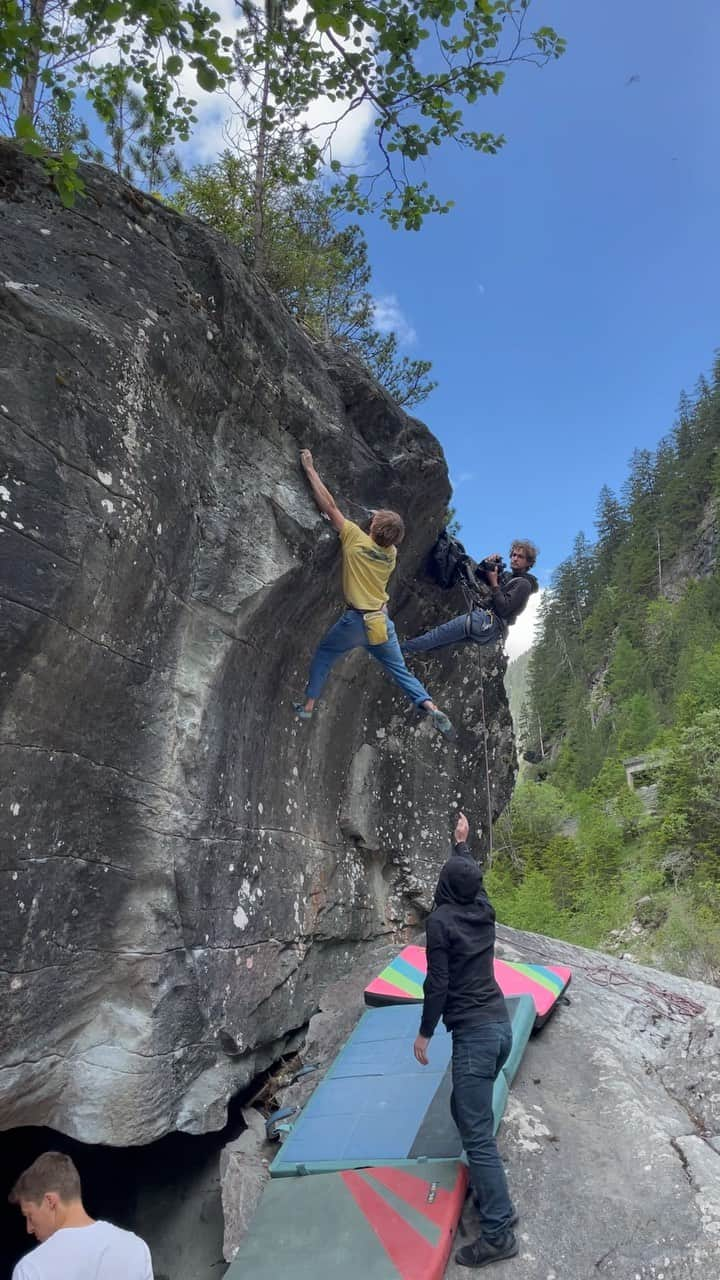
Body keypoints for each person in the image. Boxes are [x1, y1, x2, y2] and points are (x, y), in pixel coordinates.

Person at [413, 812, 518, 1269]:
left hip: (474, 1037)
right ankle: (498, 1202)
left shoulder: (440, 923)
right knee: (464, 1109)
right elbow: (472, 881)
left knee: (476, 1136)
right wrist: (462, 846)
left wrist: (424, 1033)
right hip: (500, 1030)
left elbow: (437, 985)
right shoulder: (484, 910)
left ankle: (498, 1230)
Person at [293, 449, 453, 735]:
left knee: (325, 654)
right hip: (381, 622)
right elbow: (387, 534)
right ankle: (431, 706)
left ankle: (307, 706)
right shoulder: (390, 553)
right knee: (401, 672)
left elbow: (329, 506)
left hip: (356, 621)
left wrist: (310, 469)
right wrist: (383, 523)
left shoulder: (354, 538)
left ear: (374, 526)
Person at [9, 1152, 153, 1280]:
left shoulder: (30, 1269)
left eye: (29, 1215)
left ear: (50, 1202)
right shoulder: (136, 1248)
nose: (29, 1228)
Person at [402, 540, 539, 656]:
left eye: (520, 557)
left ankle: (397, 650)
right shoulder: (510, 578)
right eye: (513, 555)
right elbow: (479, 574)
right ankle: (404, 652)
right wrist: (488, 562)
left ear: (528, 563)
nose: (515, 558)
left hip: (487, 621)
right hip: (488, 629)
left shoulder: (523, 584)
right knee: (439, 642)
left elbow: (504, 609)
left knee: (437, 635)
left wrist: (494, 583)